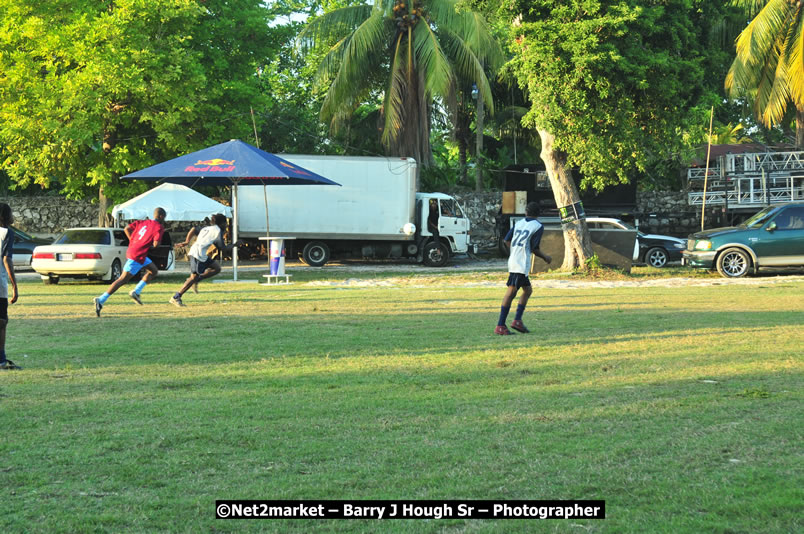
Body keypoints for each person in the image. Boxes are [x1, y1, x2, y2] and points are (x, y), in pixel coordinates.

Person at [93, 207, 167, 317]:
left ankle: (136, 292)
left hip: (137, 252)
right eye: (164, 217)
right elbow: (156, 244)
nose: (164, 219)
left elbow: (126, 229)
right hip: (137, 255)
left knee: (154, 271)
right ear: (161, 216)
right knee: (122, 279)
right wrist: (152, 245)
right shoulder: (159, 227)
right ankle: (101, 299)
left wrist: (133, 240)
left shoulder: (143, 222)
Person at [496, 201, 551, 335]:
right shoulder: (537, 226)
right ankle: (500, 325)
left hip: (515, 260)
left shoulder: (519, 223)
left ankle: (517, 321)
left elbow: (506, 240)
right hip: (520, 263)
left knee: (527, 290)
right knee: (511, 292)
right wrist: (546, 257)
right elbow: (534, 248)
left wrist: (514, 250)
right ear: (538, 214)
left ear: (526, 212)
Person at [169, 214, 239, 307]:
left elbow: (193, 229)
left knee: (217, 268)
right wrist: (235, 244)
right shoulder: (218, 231)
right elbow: (222, 248)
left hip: (201, 254)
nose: (226, 226)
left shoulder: (207, 228)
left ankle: (197, 280)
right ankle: (176, 297)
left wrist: (187, 241)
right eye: (225, 223)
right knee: (193, 277)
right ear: (221, 223)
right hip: (197, 254)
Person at [0, 204, 20, 370]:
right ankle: (1, 358)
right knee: (2, 321)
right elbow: (7, 259)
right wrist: (15, 286)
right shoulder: (7, 232)